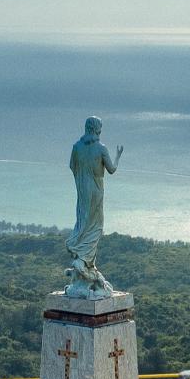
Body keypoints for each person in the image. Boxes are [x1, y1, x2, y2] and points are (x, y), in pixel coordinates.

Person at [66, 116, 122, 288]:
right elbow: (112, 169)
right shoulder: (101, 148)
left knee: (83, 221)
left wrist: (83, 176)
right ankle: (84, 260)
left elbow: (72, 166)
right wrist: (118, 156)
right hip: (96, 190)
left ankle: (84, 259)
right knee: (96, 226)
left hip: (83, 189)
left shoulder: (76, 147)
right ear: (97, 129)